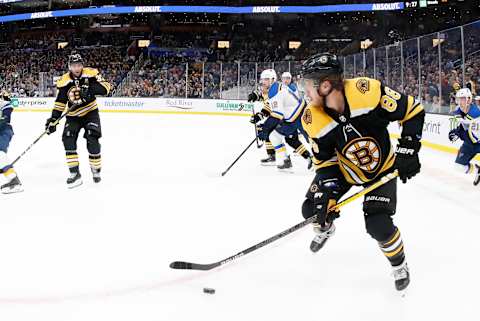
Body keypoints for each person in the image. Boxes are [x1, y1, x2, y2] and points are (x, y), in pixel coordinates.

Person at [299, 53, 425, 291]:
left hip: (382, 169)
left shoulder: (367, 92)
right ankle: (326, 229)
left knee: (378, 224)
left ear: (325, 85)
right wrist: (328, 193)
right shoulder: (311, 118)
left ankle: (399, 264)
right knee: (312, 209)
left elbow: (413, 111)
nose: (305, 91)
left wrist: (409, 148)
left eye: (308, 84)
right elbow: (325, 163)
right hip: (344, 172)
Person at [45, 53, 111, 188]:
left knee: (92, 139)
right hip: (73, 115)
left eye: (79, 65)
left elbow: (106, 88)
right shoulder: (64, 81)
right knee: (68, 139)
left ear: (82, 65)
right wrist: (53, 119)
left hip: (90, 112)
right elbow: (60, 102)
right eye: (74, 65)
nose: (77, 68)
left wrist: (90, 90)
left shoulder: (91, 73)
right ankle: (75, 174)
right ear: (69, 67)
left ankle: (95, 169)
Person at [249, 69, 312, 169]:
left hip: (301, 115)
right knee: (286, 138)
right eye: (262, 79)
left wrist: (265, 130)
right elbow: (270, 106)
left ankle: (325, 159)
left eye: (266, 79)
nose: (263, 82)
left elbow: (276, 116)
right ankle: (298, 159)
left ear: (273, 80)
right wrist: (259, 114)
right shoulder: (275, 88)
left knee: (312, 139)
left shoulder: (275, 91)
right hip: (292, 118)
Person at [448, 88, 480, 185]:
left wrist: (458, 133)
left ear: (469, 100)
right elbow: (465, 126)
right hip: (470, 143)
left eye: (463, 99)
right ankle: (477, 171)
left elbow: (471, 132)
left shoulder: (476, 113)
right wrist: (456, 131)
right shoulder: (458, 110)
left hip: (477, 140)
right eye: (459, 99)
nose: (460, 102)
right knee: (458, 166)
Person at [0, 90, 23, 194]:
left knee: (0, 153)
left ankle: (14, 181)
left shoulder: (5, 104)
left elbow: (5, 119)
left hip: (4, 131)